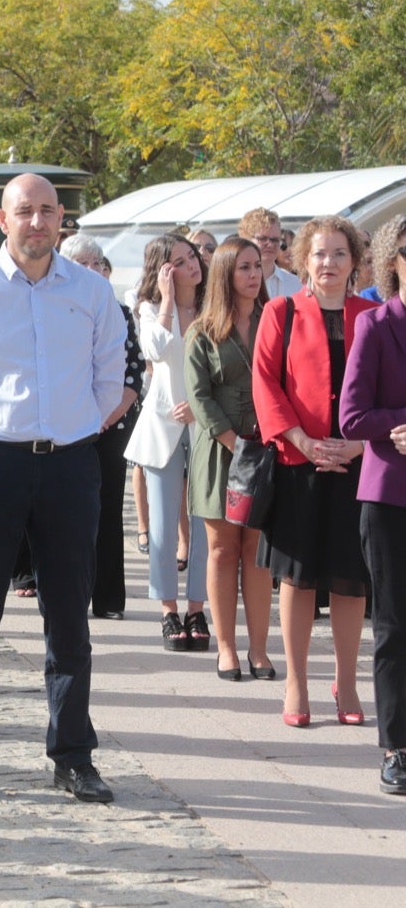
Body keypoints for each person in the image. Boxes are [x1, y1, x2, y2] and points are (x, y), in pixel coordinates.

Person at [0, 173, 126, 805]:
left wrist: (69, 433)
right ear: (0, 217)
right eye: (24, 212)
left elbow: (106, 382)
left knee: (69, 616)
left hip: (70, 463)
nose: (37, 223)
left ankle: (72, 755)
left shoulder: (93, 293)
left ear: (62, 217)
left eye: (47, 211)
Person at [252, 215, 375, 729]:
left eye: (340, 254)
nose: (329, 263)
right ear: (302, 258)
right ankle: (297, 681)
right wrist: (300, 438)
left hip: (359, 466)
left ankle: (346, 680)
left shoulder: (372, 314)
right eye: (320, 254)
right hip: (297, 462)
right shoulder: (280, 311)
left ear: (355, 262)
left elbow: (390, 389)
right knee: (298, 581)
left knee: (351, 582)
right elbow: (265, 383)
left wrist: (358, 445)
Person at [184, 235, 275, 680]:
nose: (253, 274)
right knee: (222, 550)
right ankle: (226, 649)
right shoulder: (201, 331)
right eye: (243, 267)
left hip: (267, 448)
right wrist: (234, 443)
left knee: (257, 551)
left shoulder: (276, 320)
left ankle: (259, 649)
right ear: (225, 273)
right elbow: (199, 398)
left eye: (257, 265)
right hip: (222, 452)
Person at [338, 212, 406, 793]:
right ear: (393, 263)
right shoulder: (378, 327)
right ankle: (396, 745)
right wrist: (399, 426)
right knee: (394, 625)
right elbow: (352, 417)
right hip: (391, 498)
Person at [127, 233, 210, 652]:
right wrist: (165, 300)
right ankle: (168, 611)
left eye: (192, 256)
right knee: (161, 529)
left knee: (202, 526)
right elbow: (156, 350)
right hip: (162, 427)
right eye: (178, 261)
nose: (191, 265)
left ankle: (197, 608)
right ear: (162, 270)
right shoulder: (148, 309)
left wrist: (203, 410)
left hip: (206, 427)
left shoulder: (215, 304)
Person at [59, 236, 144, 621]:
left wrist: (103, 418)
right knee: (64, 516)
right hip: (64, 428)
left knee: (108, 511)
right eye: (82, 262)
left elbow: (132, 374)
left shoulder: (120, 310)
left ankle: (108, 598)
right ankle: (65, 595)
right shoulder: (53, 308)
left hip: (109, 425)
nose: (93, 268)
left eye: (98, 261)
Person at [239, 208, 302, 299]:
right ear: (245, 239)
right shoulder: (234, 283)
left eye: (275, 240)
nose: (270, 244)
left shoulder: (295, 284)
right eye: (263, 239)